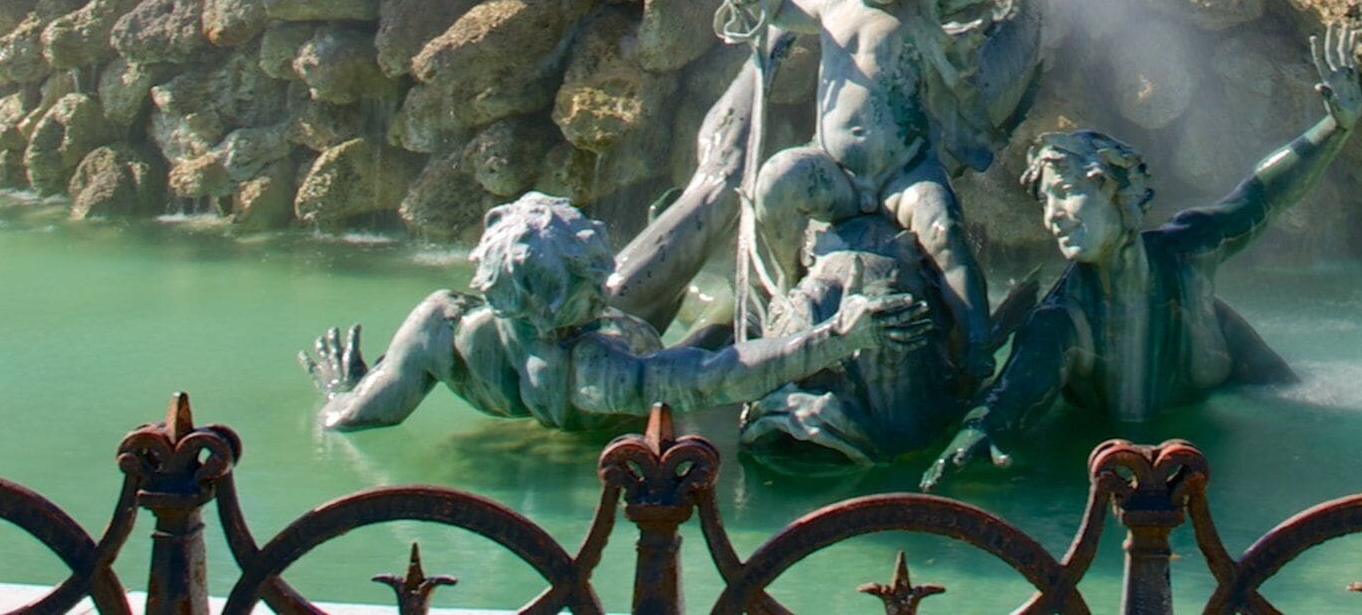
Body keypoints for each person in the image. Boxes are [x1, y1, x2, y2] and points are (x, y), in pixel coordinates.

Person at [922, 25, 1362, 484]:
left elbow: (1262, 196)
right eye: (1045, 203)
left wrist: (1336, 125)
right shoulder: (1061, 323)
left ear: (1116, 190)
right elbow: (1007, 403)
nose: (1053, 215)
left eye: (1067, 192)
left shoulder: (1189, 250)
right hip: (1129, 479)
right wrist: (973, 437)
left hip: (1230, 442)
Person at [301, 190, 924, 434]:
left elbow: (354, 416)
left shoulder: (440, 324)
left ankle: (715, 182)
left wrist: (340, 388)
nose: (605, 282)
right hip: (643, 355)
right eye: (595, 278)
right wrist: (836, 338)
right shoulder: (595, 371)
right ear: (578, 290)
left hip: (609, 339)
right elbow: (719, 375)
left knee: (695, 217)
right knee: (735, 317)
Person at [715, 0, 1031, 357]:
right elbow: (779, 8)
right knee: (775, 182)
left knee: (944, 230)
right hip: (835, 173)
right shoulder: (829, 7)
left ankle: (975, 340)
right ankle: (789, 276)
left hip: (903, 173)